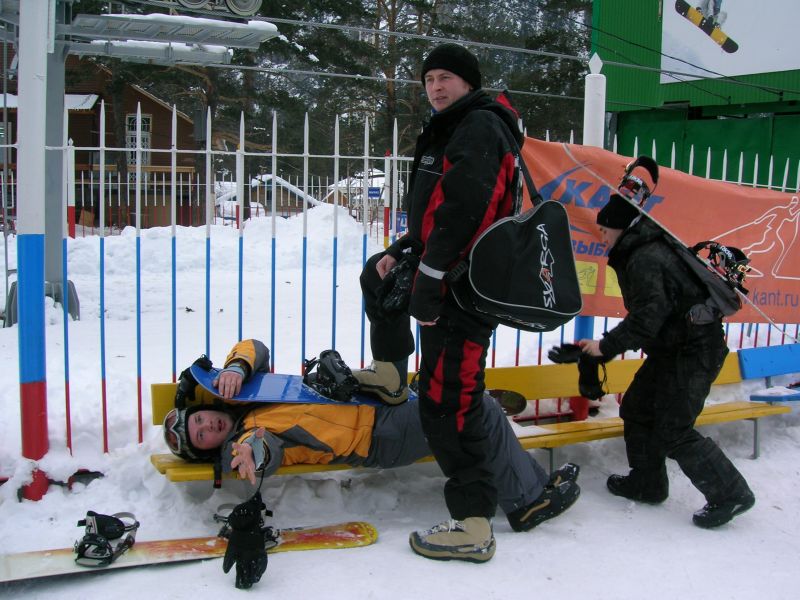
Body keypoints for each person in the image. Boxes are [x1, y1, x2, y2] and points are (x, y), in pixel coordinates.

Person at [352, 43, 578, 563]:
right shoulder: (451, 126)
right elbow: (435, 211)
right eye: (429, 78)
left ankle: (474, 524)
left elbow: (463, 212)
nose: (435, 87)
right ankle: (390, 374)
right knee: (378, 280)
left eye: (446, 78)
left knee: (448, 403)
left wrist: (430, 277)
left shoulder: (478, 126)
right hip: (445, 277)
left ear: (468, 83)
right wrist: (403, 252)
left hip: (462, 291)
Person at [162, 339, 580, 543]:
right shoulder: (248, 437)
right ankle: (528, 502)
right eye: (201, 436)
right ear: (207, 448)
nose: (207, 426)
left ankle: (518, 467)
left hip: (379, 403)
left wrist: (237, 365)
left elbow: (256, 346)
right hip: (379, 436)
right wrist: (251, 452)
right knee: (474, 409)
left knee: (460, 399)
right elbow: (264, 451)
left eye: (200, 419)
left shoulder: (251, 394)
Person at [579, 193, 755, 529]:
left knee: (674, 428)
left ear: (621, 228)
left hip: (694, 352)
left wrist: (605, 346)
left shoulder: (645, 257)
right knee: (638, 408)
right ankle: (647, 482)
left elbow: (648, 317)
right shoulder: (643, 248)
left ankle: (730, 493)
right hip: (672, 349)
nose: (602, 237)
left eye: (605, 230)